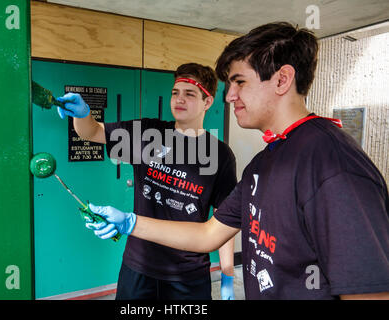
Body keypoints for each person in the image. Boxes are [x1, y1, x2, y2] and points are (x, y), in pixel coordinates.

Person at [84, 22, 389, 300]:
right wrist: (130, 222)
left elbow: (369, 293)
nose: (229, 96)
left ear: (282, 79)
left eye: (239, 82)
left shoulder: (332, 165)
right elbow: (209, 234)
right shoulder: (264, 162)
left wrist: (226, 274)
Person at [56, 63, 238, 300]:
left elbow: (225, 221)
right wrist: (83, 115)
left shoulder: (220, 155)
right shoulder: (147, 133)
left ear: (207, 102)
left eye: (189, 94)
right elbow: (92, 132)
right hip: (138, 267)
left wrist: (227, 275)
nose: (179, 99)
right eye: (175, 93)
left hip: (188, 275)